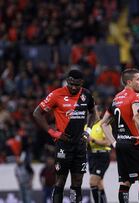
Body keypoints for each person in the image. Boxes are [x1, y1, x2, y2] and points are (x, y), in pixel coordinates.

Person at [33, 68, 97, 203]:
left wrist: (88, 131)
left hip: (80, 144)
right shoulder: (56, 94)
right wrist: (53, 132)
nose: (73, 87)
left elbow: (94, 113)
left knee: (77, 181)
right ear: (67, 81)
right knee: (60, 181)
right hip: (63, 145)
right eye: (71, 83)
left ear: (82, 83)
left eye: (77, 84)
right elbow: (37, 113)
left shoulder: (86, 95)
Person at [100, 68, 139, 203]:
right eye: (138, 79)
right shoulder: (136, 96)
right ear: (129, 82)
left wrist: (114, 142)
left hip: (121, 144)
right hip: (135, 143)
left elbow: (103, 123)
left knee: (125, 181)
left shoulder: (116, 98)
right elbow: (137, 118)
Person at [88, 105, 111, 203]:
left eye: (94, 111)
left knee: (92, 181)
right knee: (99, 183)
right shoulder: (88, 126)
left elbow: (108, 142)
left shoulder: (104, 125)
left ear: (100, 113)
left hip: (102, 156)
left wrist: (92, 140)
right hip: (91, 156)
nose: (92, 113)